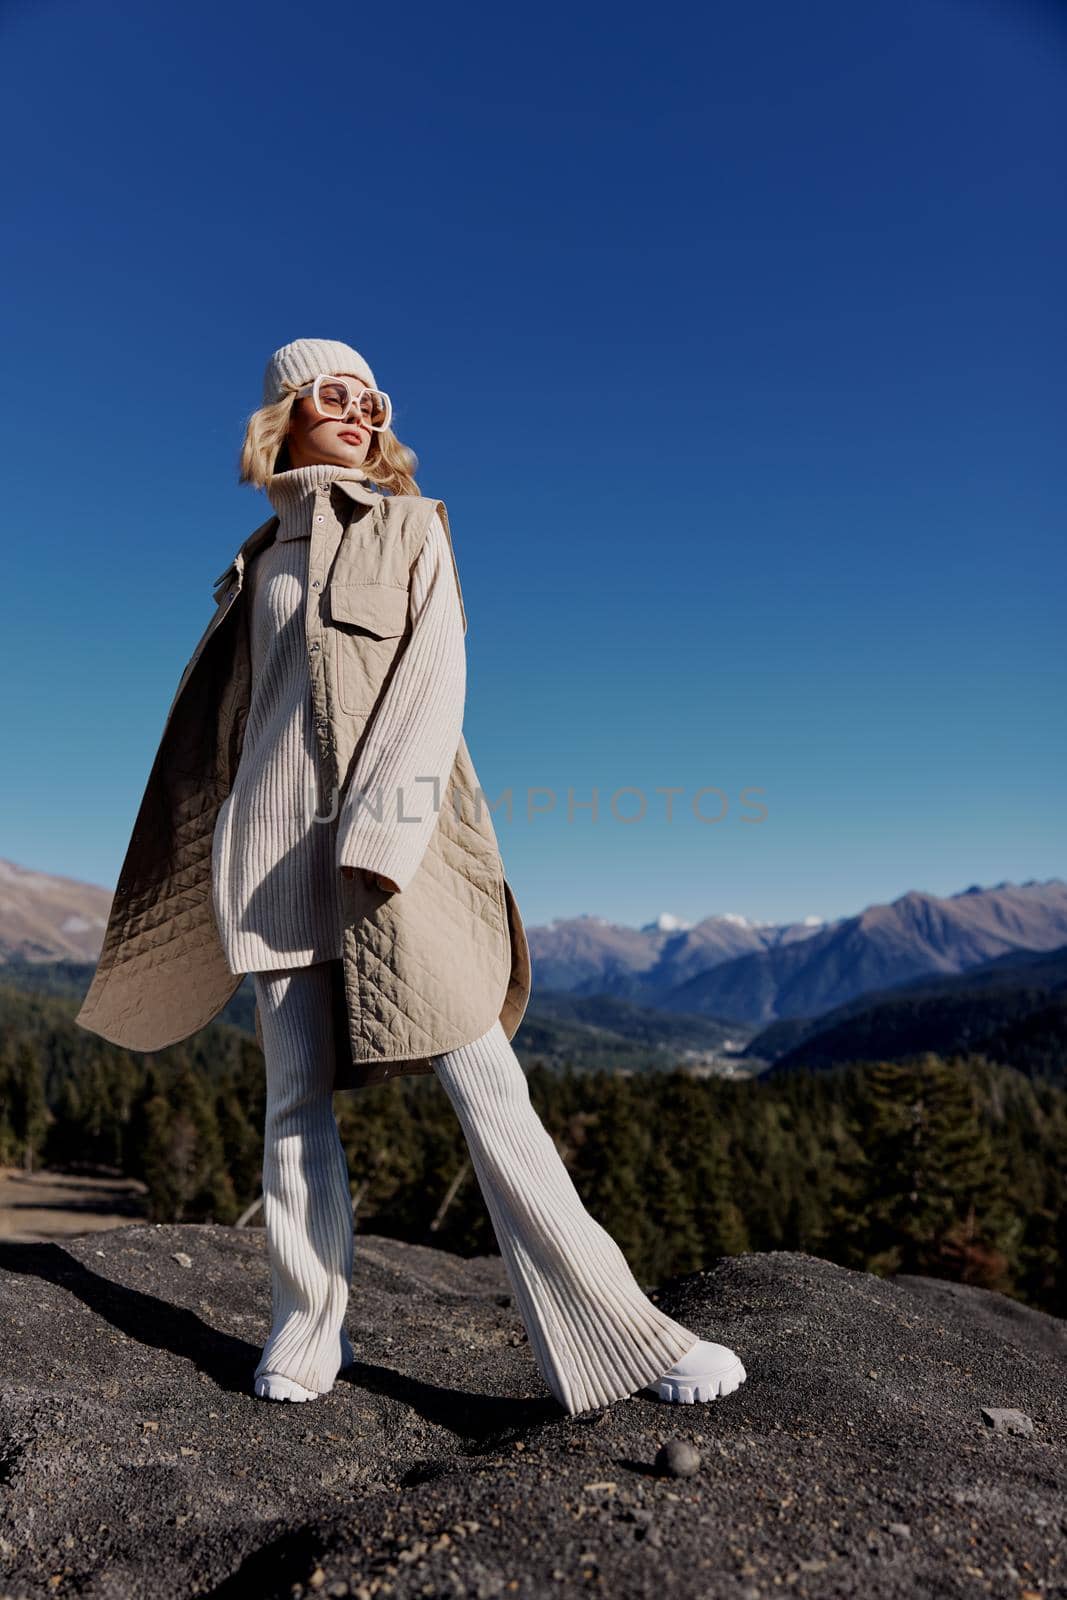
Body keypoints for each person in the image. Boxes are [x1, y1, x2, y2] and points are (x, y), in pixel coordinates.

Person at [84, 335, 748, 1415]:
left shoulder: (412, 529)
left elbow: (434, 686)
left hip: (395, 859)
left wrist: (382, 842)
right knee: (293, 1100)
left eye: (371, 398)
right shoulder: (255, 567)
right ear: (282, 418)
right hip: (268, 857)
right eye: (330, 395)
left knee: (490, 1090)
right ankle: (307, 1331)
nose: (359, 411)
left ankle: (624, 1336)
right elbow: (227, 738)